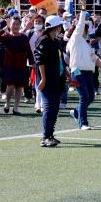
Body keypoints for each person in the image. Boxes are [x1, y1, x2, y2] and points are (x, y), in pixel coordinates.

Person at [67, 12, 101, 130]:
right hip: (77, 72)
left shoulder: (87, 44)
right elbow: (79, 26)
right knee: (84, 96)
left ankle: (76, 112)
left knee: (90, 97)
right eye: (85, 29)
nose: (86, 31)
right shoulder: (75, 39)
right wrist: (83, 11)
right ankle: (83, 123)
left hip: (89, 73)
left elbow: (95, 58)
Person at [34, 15, 68, 147]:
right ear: (56, 27)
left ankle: (50, 134)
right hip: (47, 79)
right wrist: (43, 78)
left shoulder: (56, 41)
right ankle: (45, 137)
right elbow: (40, 61)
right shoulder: (43, 40)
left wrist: (67, 73)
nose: (61, 28)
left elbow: (60, 60)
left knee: (55, 108)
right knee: (48, 107)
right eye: (59, 26)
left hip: (57, 78)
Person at [0, 16, 35, 115]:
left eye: (17, 24)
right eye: (13, 24)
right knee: (10, 85)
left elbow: (29, 51)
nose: (15, 26)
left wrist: (32, 62)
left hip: (21, 65)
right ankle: (7, 103)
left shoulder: (24, 37)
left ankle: (16, 107)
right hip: (9, 65)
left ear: (20, 25)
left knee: (19, 86)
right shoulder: (7, 36)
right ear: (10, 25)